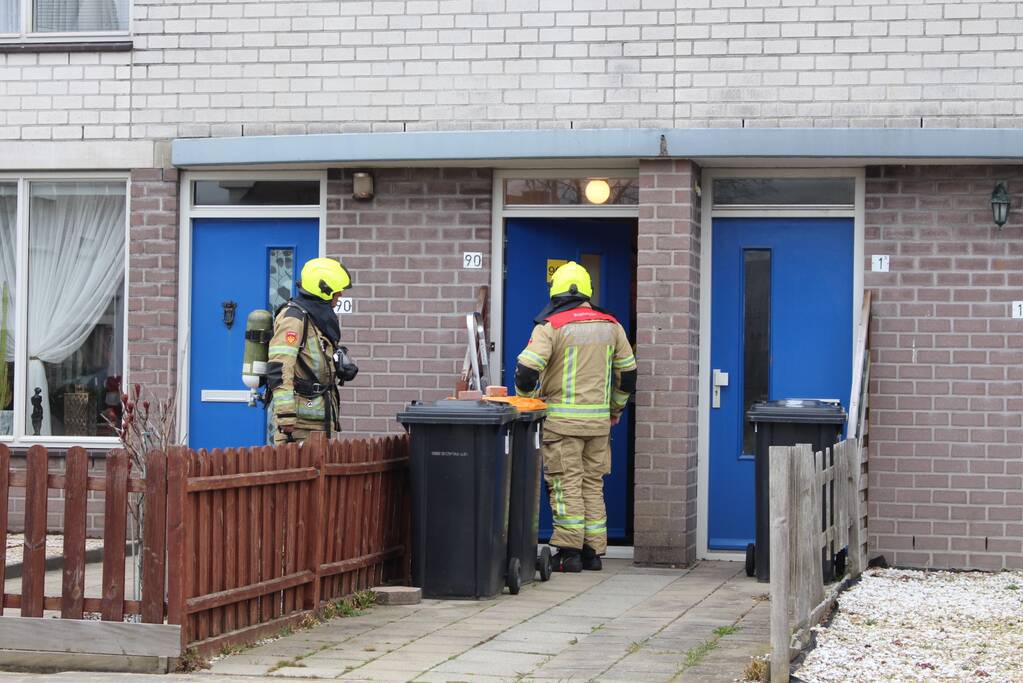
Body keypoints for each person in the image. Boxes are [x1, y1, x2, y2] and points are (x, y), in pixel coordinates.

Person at [514, 261, 637, 572]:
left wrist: (528, 402)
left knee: (565, 485)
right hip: (598, 424)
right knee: (591, 485)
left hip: (561, 425)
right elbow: (628, 374)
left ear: (556, 293)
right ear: (587, 292)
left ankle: (569, 554)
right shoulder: (612, 326)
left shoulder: (550, 327)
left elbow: (526, 370)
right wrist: (615, 409)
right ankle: (593, 554)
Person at [266, 257, 352, 445]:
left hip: (320, 420)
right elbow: (279, 367)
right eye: (337, 293)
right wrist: (286, 415)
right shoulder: (293, 319)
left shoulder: (316, 320)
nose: (340, 297)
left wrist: (341, 364)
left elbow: (315, 358)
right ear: (324, 290)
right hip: (298, 426)